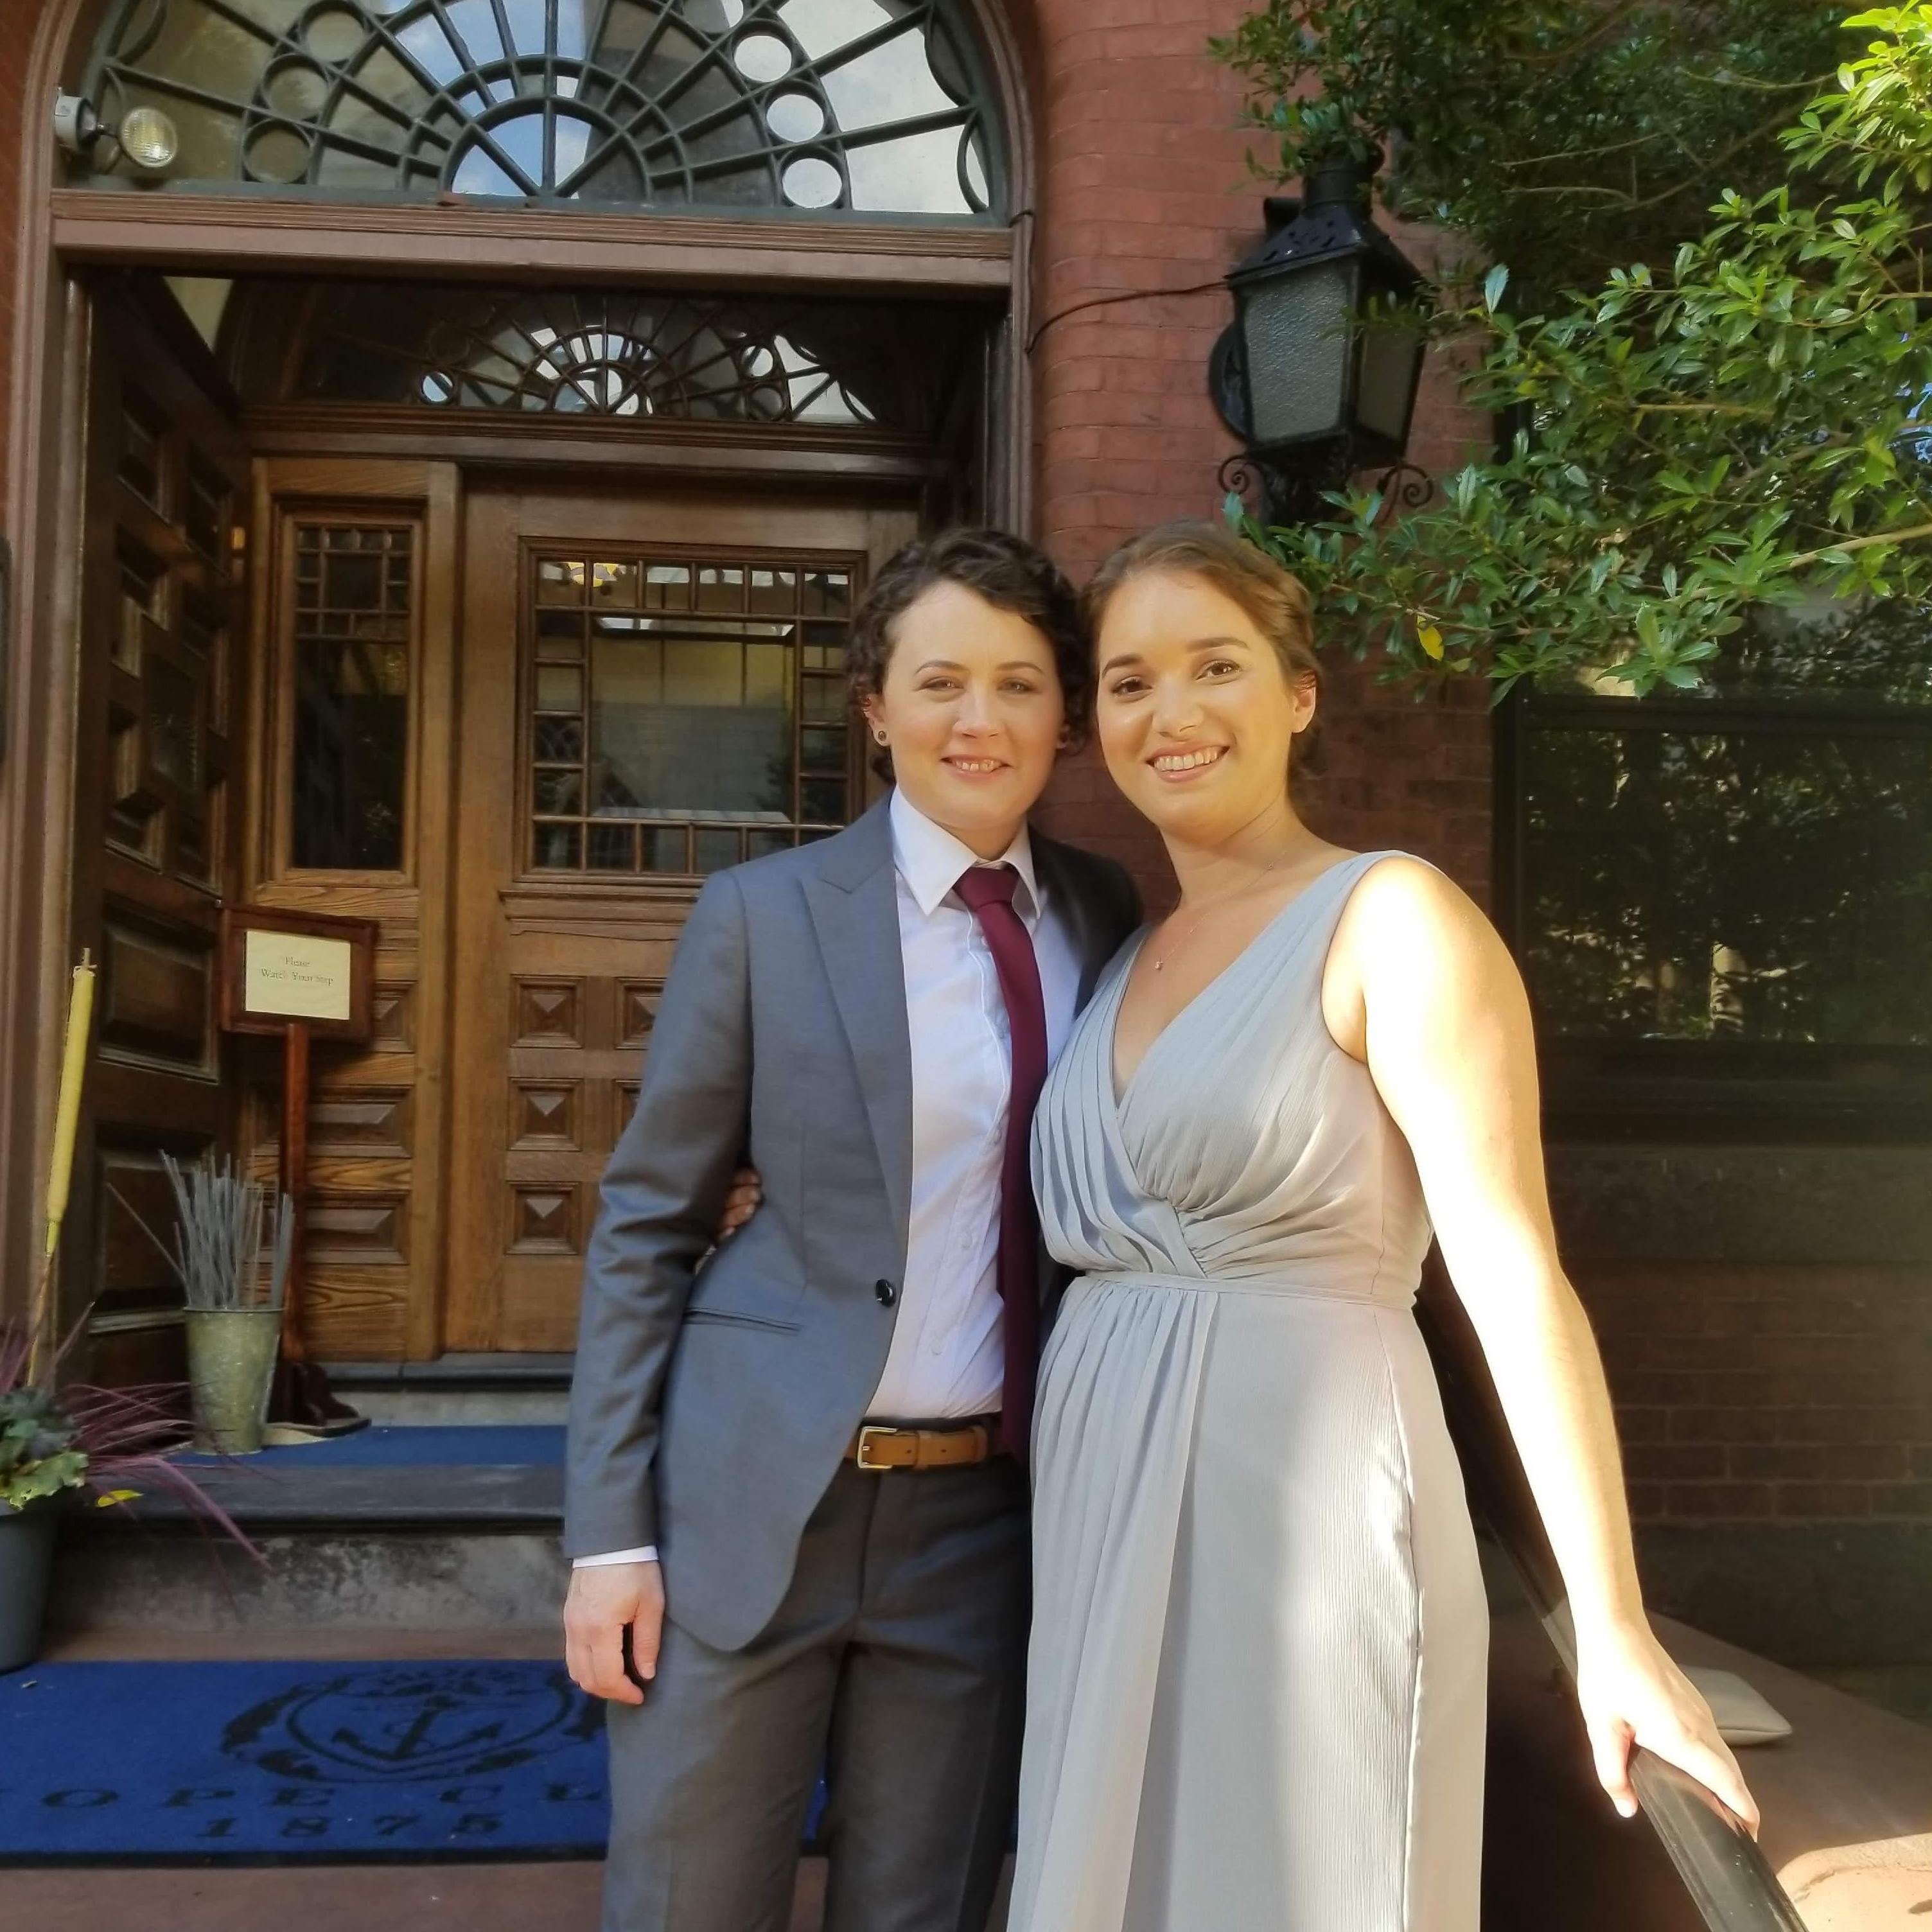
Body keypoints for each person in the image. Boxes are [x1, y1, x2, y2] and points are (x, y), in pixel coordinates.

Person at [1008, 522, 1758, 1932]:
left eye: (1215, 665)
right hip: (1103, 1510)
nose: (1170, 713)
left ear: (1299, 693)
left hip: (1309, 1517)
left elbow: (1511, 1271)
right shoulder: (1120, 953)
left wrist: (1613, 1624)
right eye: (1128, 681)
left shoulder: (1392, 917)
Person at [563, 527, 1140, 1932]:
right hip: (755, 1499)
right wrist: (607, 1538)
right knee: (690, 1905)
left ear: (1064, 717)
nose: (978, 719)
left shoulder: (1109, 914)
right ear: (876, 708)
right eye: (939, 682)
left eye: (1018, 684)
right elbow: (647, 1225)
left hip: (981, 1525)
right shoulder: (762, 916)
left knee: (921, 1909)